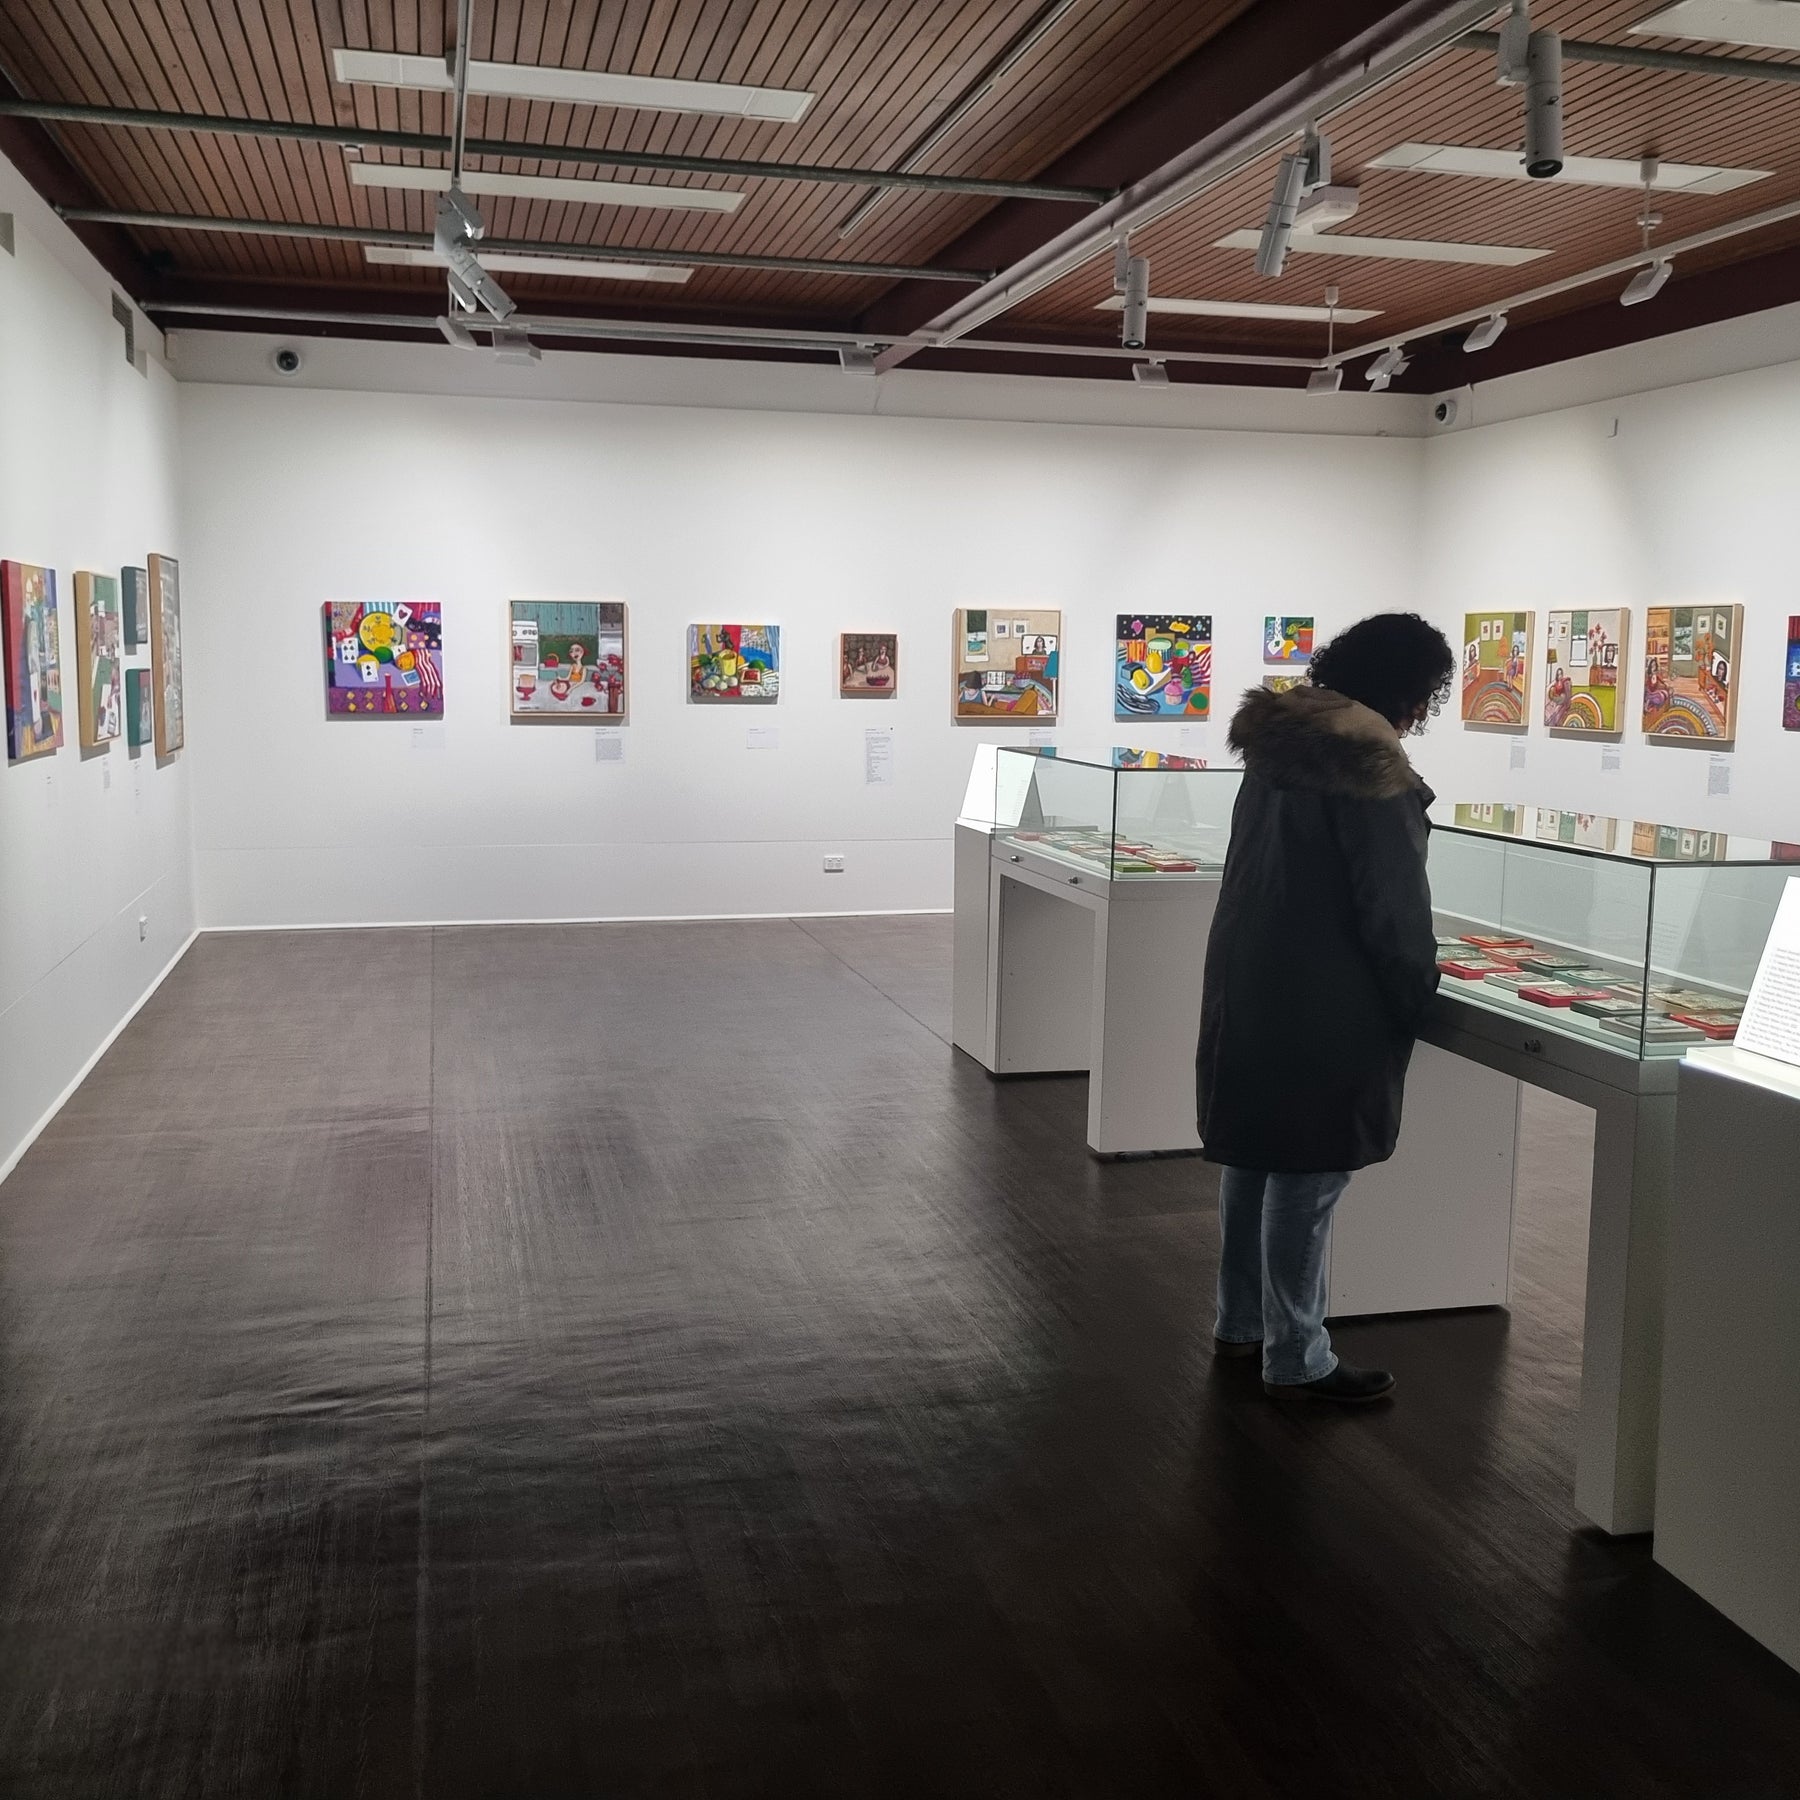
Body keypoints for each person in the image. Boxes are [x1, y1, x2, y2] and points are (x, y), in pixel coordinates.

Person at [1196, 612, 1454, 1404]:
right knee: (1309, 1175)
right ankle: (1297, 1358)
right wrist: (1416, 993)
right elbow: (1394, 911)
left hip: (1253, 978)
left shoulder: (1278, 750)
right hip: (1327, 996)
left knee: (1254, 1157)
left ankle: (1241, 1324)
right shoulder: (1370, 772)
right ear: (1409, 692)